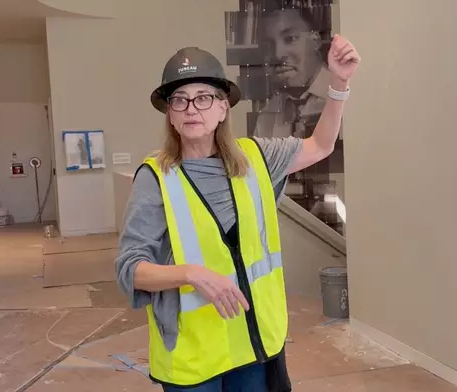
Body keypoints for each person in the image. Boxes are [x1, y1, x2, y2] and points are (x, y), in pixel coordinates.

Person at [115, 35, 360, 391]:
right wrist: (191, 274)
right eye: (179, 101)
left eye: (203, 98)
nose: (191, 109)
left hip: (254, 344)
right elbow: (130, 270)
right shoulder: (156, 178)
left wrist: (339, 83)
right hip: (194, 358)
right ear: (169, 113)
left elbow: (320, 145)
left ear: (223, 108)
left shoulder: (256, 158)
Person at [253, 3, 331, 139]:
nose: (278, 54)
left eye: (291, 39)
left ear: (316, 40)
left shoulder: (345, 98)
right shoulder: (267, 116)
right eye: (268, 45)